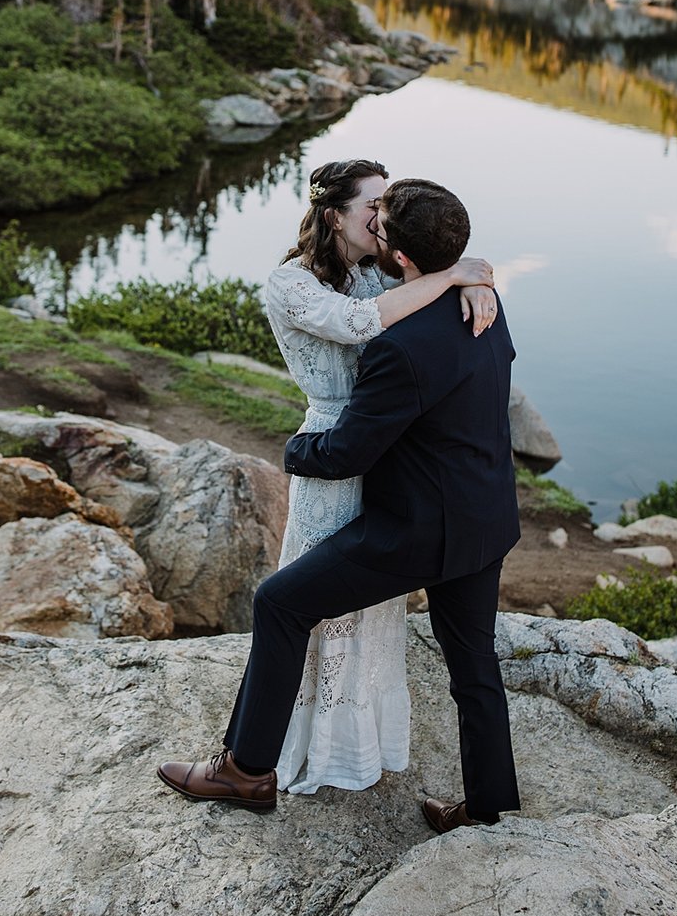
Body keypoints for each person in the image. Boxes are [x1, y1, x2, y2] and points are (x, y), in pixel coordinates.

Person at [158, 178, 521, 831]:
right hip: (486, 518)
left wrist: (294, 452)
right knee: (475, 664)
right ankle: (488, 807)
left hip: (415, 533)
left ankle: (245, 772)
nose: (372, 227)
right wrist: (474, 276)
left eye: (382, 224)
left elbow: (346, 454)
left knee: (278, 603)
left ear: (403, 259)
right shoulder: (486, 310)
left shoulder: (398, 346)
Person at [263, 159, 497, 795]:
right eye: (371, 205)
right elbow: (354, 324)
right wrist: (455, 277)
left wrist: (474, 284)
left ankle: (358, 741)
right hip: (333, 450)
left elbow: (428, 252)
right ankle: (297, 741)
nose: (380, 217)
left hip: (386, 459)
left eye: (384, 208)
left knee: (372, 612)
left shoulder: (380, 269)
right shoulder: (290, 282)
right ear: (334, 213)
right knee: (305, 605)